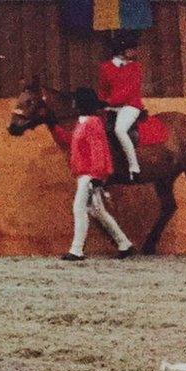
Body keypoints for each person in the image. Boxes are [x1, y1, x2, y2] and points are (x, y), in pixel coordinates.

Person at [61, 88, 135, 261]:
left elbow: (98, 151)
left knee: (79, 208)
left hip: (89, 174)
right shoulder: (82, 122)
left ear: (81, 103)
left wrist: (96, 176)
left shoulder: (93, 122)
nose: (72, 103)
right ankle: (125, 244)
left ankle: (76, 250)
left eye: (75, 100)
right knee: (98, 211)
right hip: (84, 174)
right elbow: (72, 141)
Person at [98, 30, 143, 181]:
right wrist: (101, 103)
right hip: (112, 106)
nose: (135, 51)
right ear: (122, 50)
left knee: (120, 130)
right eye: (132, 49)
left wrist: (109, 102)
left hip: (131, 105)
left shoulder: (135, 67)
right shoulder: (105, 67)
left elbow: (130, 91)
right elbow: (103, 89)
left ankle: (134, 167)